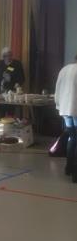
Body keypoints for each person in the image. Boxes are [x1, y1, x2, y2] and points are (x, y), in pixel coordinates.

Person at [54, 54, 77, 183]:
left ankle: (69, 167)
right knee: (75, 138)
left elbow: (57, 89)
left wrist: (59, 105)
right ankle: (75, 172)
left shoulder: (65, 69)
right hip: (75, 108)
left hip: (65, 108)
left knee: (72, 137)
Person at [0, 47, 25, 117]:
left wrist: (18, 84)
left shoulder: (17, 64)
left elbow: (22, 77)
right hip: (0, 93)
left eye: (10, 55)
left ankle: (11, 125)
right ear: (3, 56)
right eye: (6, 55)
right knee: (2, 113)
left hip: (12, 93)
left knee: (11, 113)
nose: (9, 57)